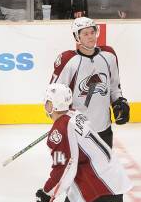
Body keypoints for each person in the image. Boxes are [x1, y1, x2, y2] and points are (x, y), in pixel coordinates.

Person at [50, 17, 129, 148]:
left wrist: (119, 102)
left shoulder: (109, 56)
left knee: (105, 168)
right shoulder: (68, 61)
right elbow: (52, 95)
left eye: (92, 32)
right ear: (77, 37)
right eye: (85, 34)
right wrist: (59, 120)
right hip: (78, 131)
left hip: (104, 129)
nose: (91, 37)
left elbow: (114, 87)